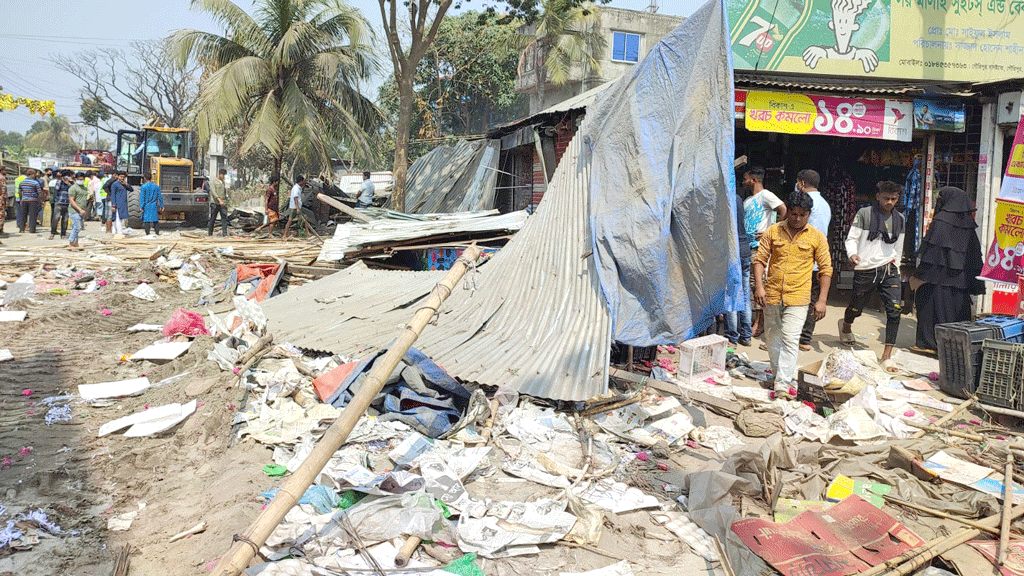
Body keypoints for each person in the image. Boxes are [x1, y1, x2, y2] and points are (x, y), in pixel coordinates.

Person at [753, 191, 833, 394]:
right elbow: (760, 260)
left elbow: (826, 269)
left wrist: (822, 300)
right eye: (794, 214)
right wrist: (759, 287)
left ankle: (782, 383)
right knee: (772, 338)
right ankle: (778, 374)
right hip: (771, 295)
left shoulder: (817, 237)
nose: (797, 219)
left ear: (808, 214)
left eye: (802, 215)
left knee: (790, 338)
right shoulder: (773, 232)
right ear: (788, 212)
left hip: (798, 298)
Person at [912, 186, 986, 353]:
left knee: (929, 305)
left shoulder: (941, 220)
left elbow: (931, 252)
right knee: (955, 313)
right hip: (960, 283)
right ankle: (954, 347)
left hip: (937, 279)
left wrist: (919, 275)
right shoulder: (969, 225)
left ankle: (929, 343)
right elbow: (974, 258)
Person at [839, 181, 905, 365]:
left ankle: (886, 356)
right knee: (856, 307)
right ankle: (846, 326)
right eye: (886, 198)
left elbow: (898, 247)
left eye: (894, 199)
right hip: (866, 267)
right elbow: (852, 238)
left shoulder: (900, 219)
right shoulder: (865, 214)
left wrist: (897, 267)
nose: (890, 202)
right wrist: (852, 254)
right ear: (878, 197)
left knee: (894, 310)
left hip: (889, 268)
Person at [742, 167, 787, 337]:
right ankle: (754, 320)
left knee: (758, 283)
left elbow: (783, 209)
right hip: (749, 246)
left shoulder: (766, 195)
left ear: (753, 179)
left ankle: (759, 322)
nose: (743, 181)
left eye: (746, 178)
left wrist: (772, 229)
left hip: (760, 247)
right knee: (752, 285)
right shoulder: (748, 200)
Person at [796, 169, 832, 352]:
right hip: (818, 260)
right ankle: (805, 339)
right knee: (811, 300)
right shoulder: (825, 204)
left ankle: (793, 336)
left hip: (803, 259)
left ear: (802, 183)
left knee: (794, 298)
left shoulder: (806, 203)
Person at [725, 191, 752, 346]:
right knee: (745, 294)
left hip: (732, 250)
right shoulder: (738, 198)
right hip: (744, 248)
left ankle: (732, 337)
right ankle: (746, 336)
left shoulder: (724, 199)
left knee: (732, 295)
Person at [67, 172, 90, 249]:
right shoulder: (73, 188)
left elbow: (84, 200)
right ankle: (70, 243)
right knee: (77, 227)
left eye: (82, 179)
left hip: (82, 210)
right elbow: (71, 200)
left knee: (75, 227)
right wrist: (79, 209)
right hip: (74, 211)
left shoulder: (84, 188)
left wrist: (84, 211)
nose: (80, 180)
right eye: (79, 179)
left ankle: (75, 243)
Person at [17, 169, 44, 234]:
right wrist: (41, 200)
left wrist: (21, 199)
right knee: (32, 215)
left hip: (24, 200)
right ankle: (32, 229)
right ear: (32, 175)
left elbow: (20, 191)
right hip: (33, 200)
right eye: (34, 174)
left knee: (23, 215)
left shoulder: (22, 182)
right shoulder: (35, 182)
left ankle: (21, 229)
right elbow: (39, 192)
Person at [50, 170, 71, 240]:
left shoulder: (71, 184)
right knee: (56, 218)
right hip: (59, 202)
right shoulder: (59, 183)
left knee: (65, 220)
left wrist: (68, 184)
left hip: (67, 203)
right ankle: (53, 232)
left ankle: (63, 234)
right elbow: (56, 191)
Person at [207, 168, 229, 237]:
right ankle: (210, 233)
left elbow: (225, 193)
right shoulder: (213, 182)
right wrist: (219, 200)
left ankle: (225, 234)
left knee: (224, 219)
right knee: (213, 218)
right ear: (219, 174)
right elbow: (213, 192)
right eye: (223, 175)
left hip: (223, 203)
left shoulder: (223, 182)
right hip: (215, 203)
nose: (224, 177)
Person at [0, 166, 7, 239]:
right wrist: (6, 199)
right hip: (1, 199)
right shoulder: (2, 178)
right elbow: (4, 190)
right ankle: (0, 230)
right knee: (1, 215)